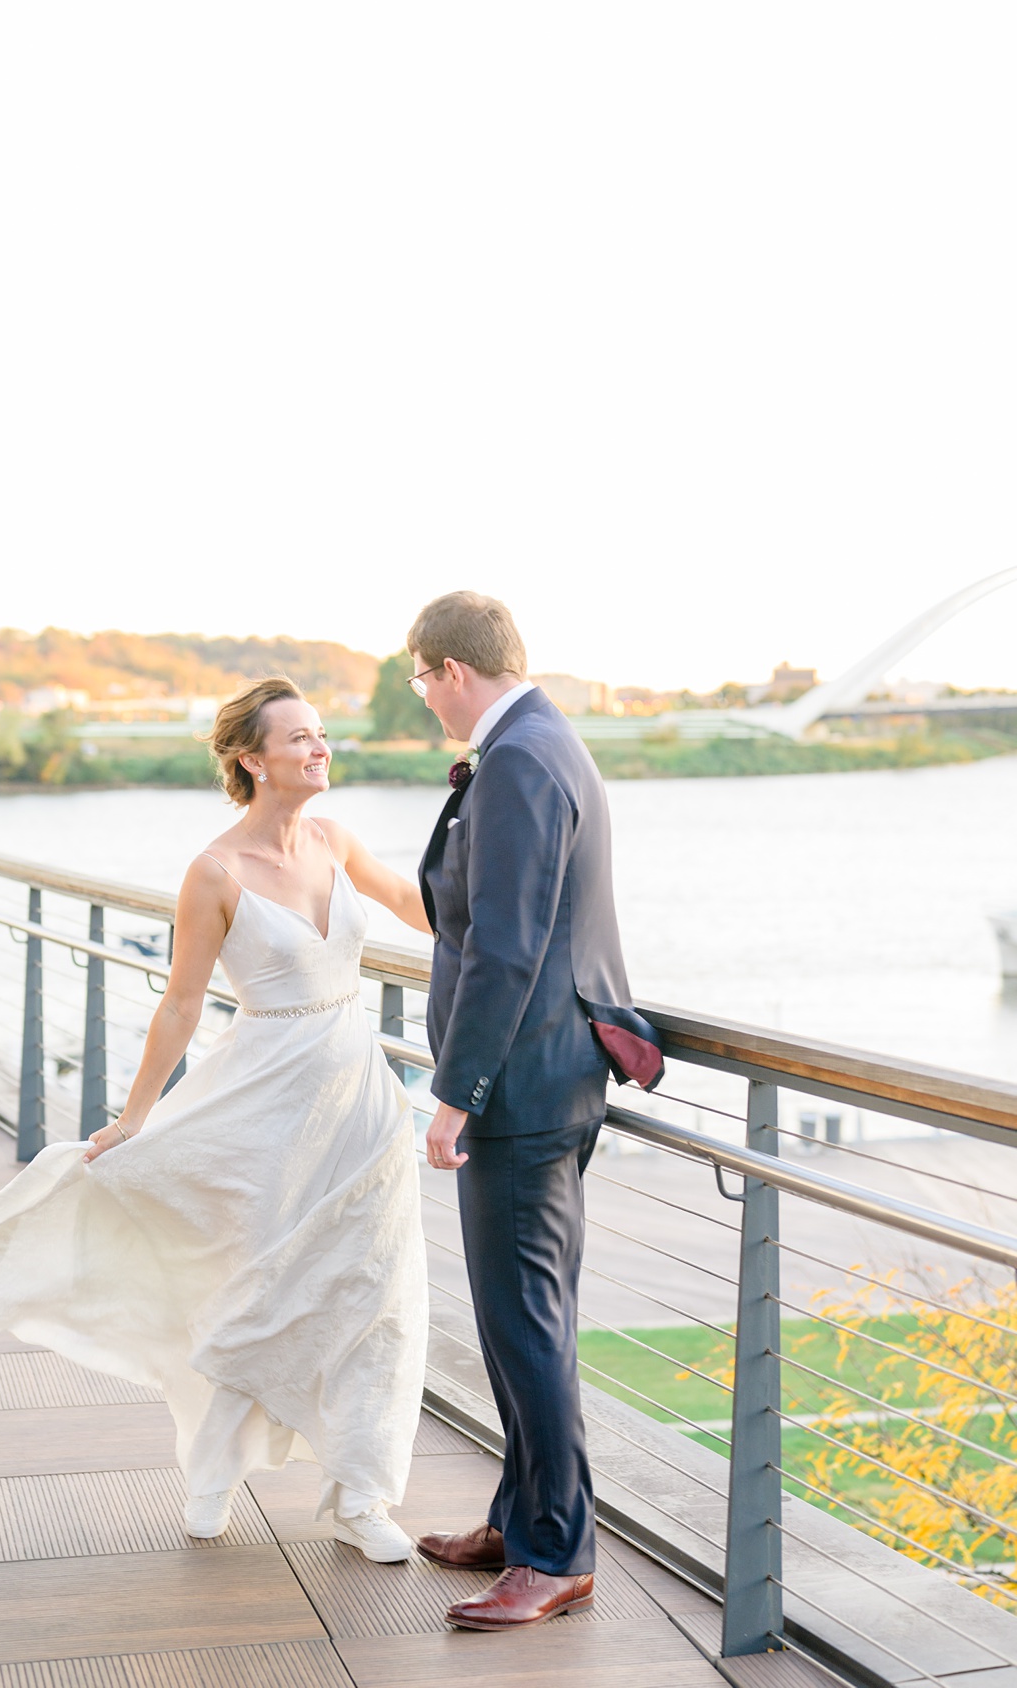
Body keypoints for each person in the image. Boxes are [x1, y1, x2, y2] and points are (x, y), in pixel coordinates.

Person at [0, 677, 433, 1561]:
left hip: (364, 1108)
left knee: (379, 1299)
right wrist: (132, 1118)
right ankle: (213, 1472)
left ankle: (361, 1497)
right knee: (259, 1296)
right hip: (264, 1104)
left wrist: (511, 917)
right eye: (298, 739)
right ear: (249, 760)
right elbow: (181, 1007)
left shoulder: (338, 841)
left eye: (322, 734)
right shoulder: (214, 872)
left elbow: (421, 909)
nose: (318, 749)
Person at [404, 591, 663, 1633]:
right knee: (519, 1320)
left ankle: (556, 1552)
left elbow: (507, 947)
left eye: (422, 680)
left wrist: (453, 1095)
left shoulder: (517, 760)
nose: (424, 699)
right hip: (550, 1071)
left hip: (519, 1084)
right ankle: (521, 1517)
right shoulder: (545, 744)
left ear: (450, 668)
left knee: (525, 1321)